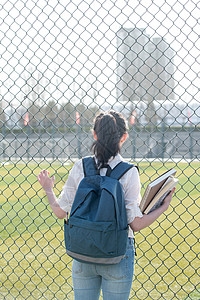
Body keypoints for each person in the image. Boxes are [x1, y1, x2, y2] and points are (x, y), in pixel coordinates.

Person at [37, 110, 175, 300]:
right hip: (116, 253)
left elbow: (61, 212)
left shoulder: (81, 167)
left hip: (83, 251)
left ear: (94, 134)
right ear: (124, 137)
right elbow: (136, 224)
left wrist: (48, 189)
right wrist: (163, 207)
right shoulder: (128, 172)